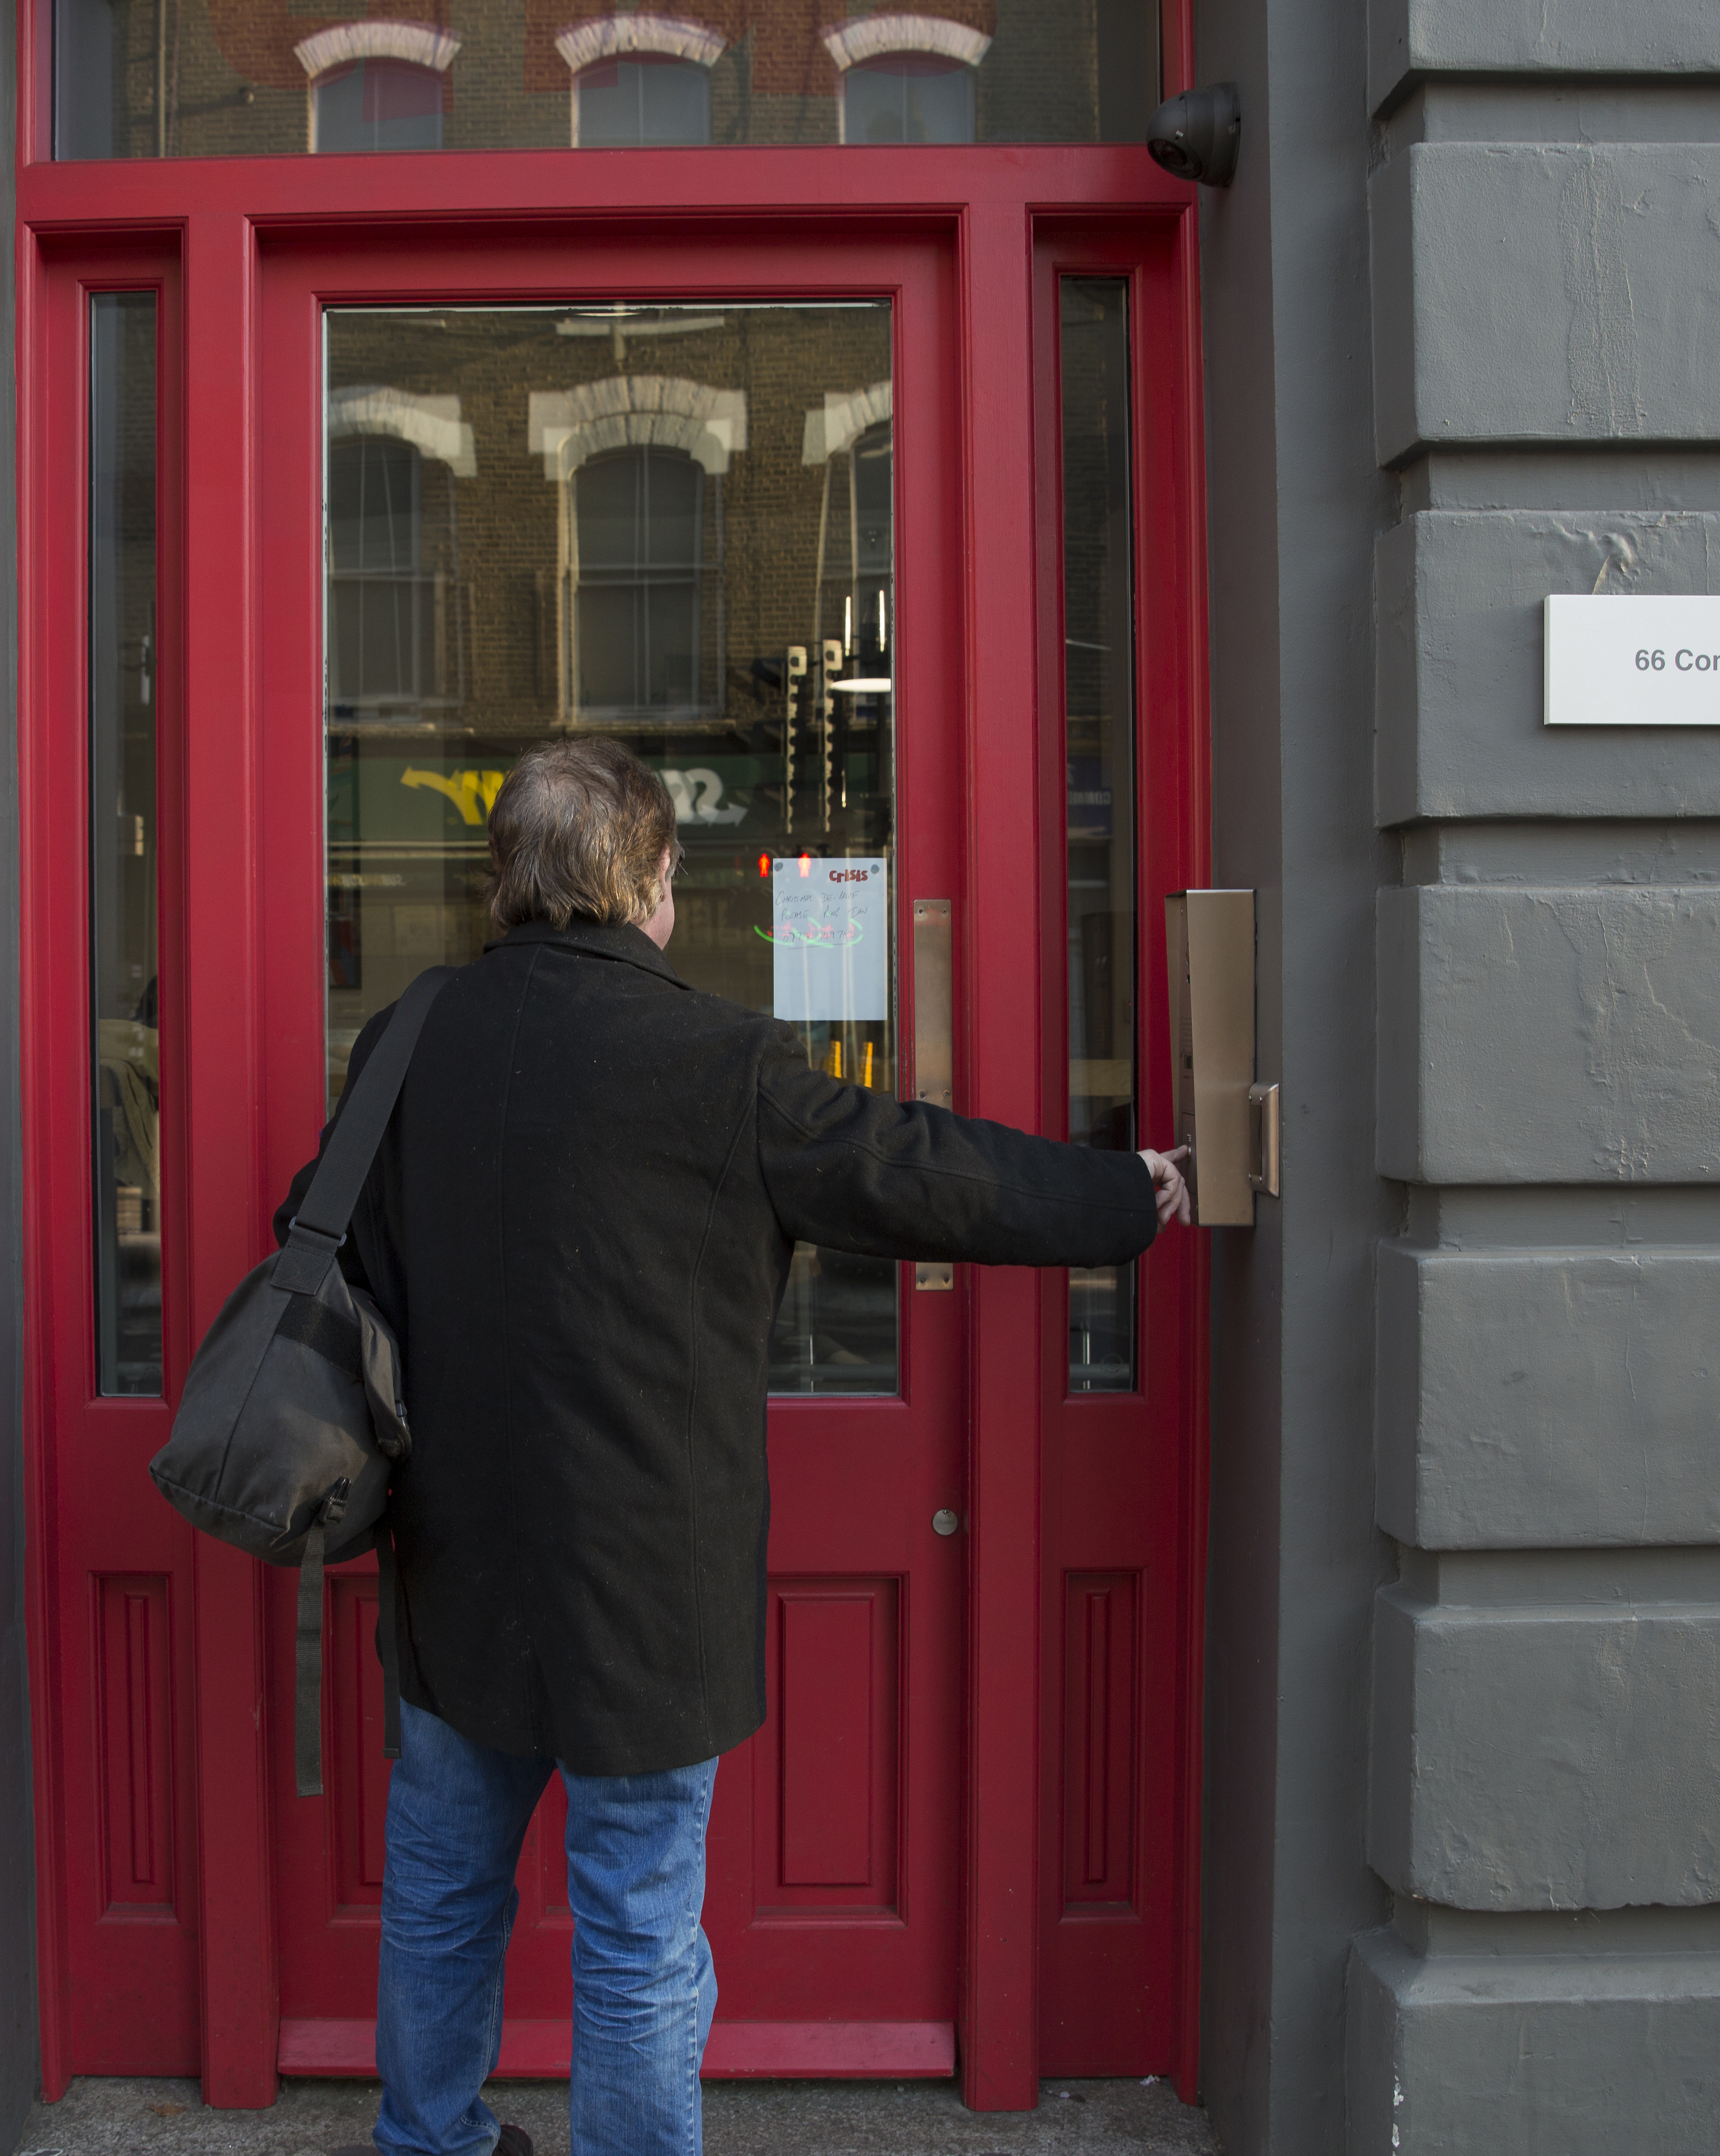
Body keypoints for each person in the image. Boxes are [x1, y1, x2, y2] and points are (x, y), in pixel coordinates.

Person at [291, 737, 1190, 2156]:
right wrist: (1125, 1194)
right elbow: (922, 1174)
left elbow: (325, 1238)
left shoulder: (410, 1035)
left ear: (506, 876)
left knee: (444, 1887)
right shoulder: (720, 1061)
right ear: (652, 877)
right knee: (638, 1925)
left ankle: (430, 2140)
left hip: (453, 1552)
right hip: (650, 1579)